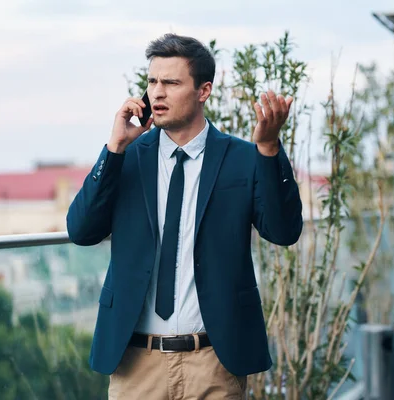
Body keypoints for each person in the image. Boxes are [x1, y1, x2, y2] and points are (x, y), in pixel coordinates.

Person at [66, 33, 303, 399]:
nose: (157, 93)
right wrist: (113, 149)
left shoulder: (241, 158)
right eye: (152, 82)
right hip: (136, 364)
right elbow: (80, 230)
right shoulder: (126, 158)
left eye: (171, 83)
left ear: (203, 91)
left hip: (213, 363)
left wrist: (269, 148)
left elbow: (284, 230)